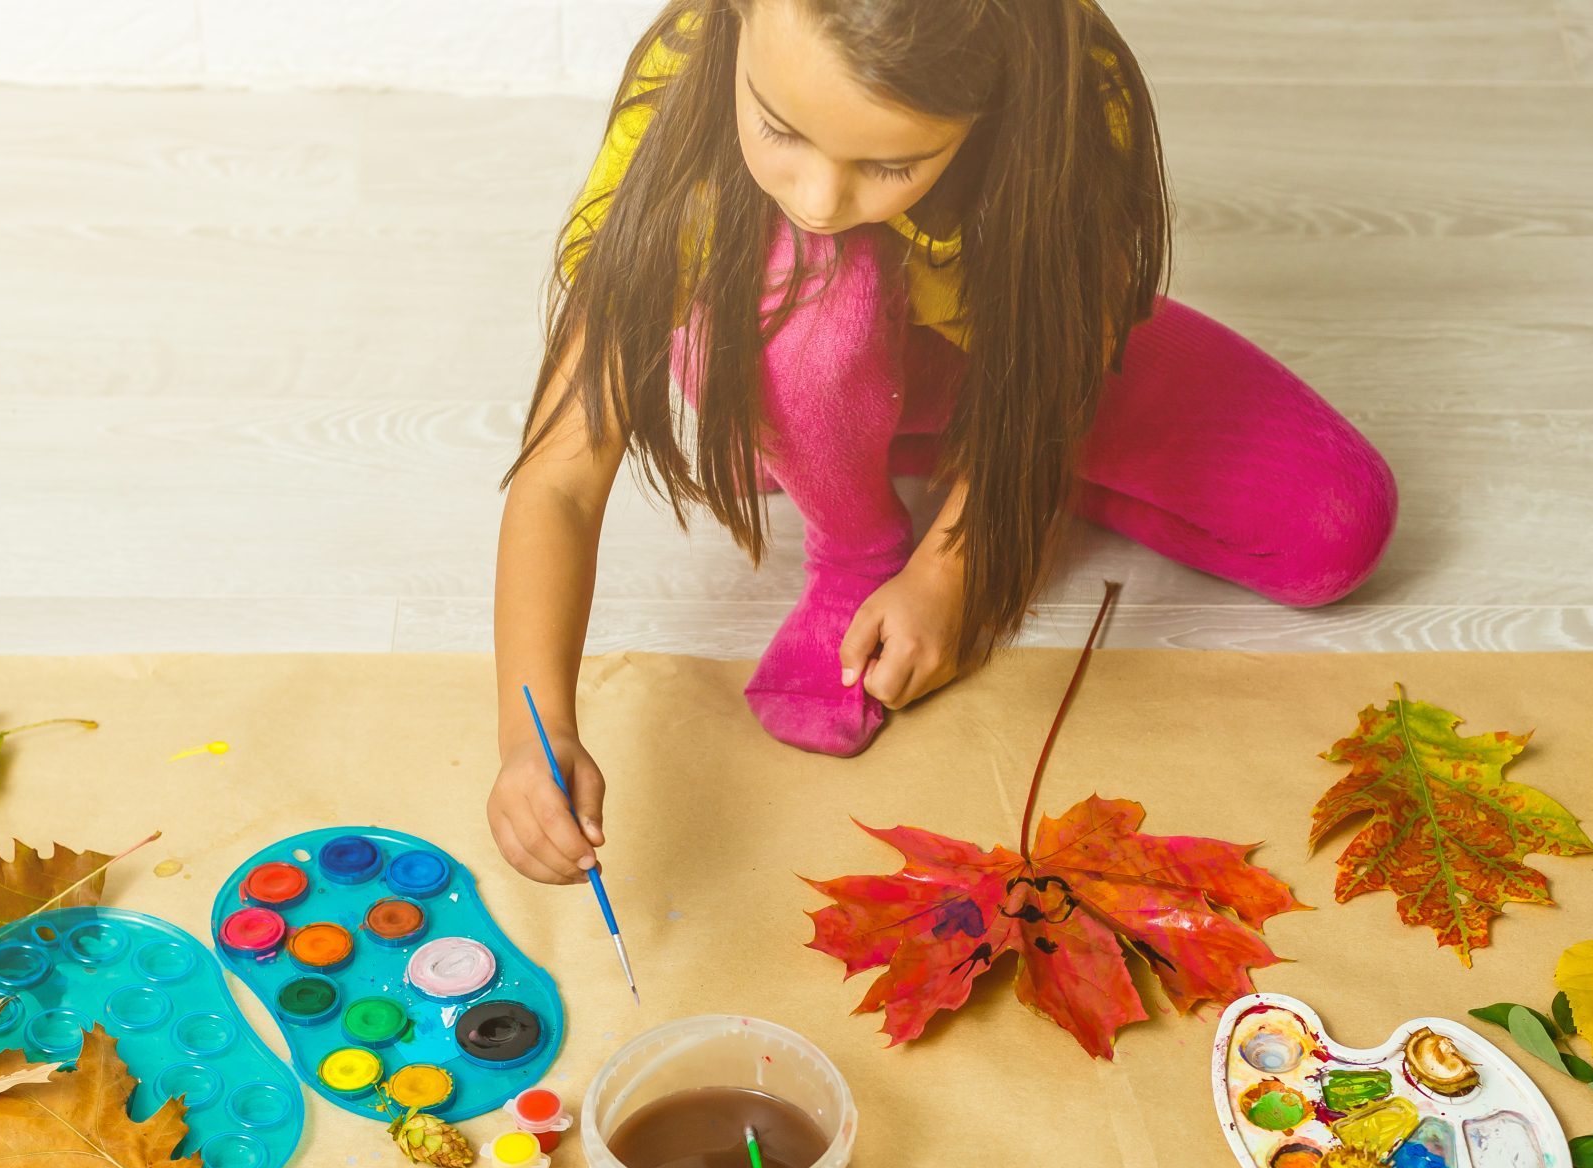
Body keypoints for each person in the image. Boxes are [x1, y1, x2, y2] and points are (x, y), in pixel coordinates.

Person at [487, 0, 1395, 884]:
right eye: (779, 128)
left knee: (1332, 529)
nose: (819, 196)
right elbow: (561, 478)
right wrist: (535, 732)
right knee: (804, 270)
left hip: (1001, 360)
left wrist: (955, 563)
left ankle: (951, 460)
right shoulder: (682, 89)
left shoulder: (1072, 103)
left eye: (890, 164)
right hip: (771, 326)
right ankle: (842, 515)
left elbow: (1061, 353)